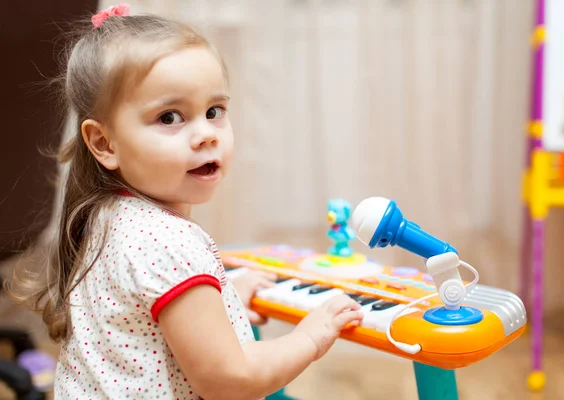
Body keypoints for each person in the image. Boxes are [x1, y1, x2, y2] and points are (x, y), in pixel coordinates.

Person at [8, 3, 364, 400]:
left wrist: (224, 298)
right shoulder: (168, 242)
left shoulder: (102, 217)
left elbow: (142, 326)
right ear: (104, 143)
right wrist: (312, 338)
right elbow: (231, 380)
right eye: (170, 118)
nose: (205, 135)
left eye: (214, 111)